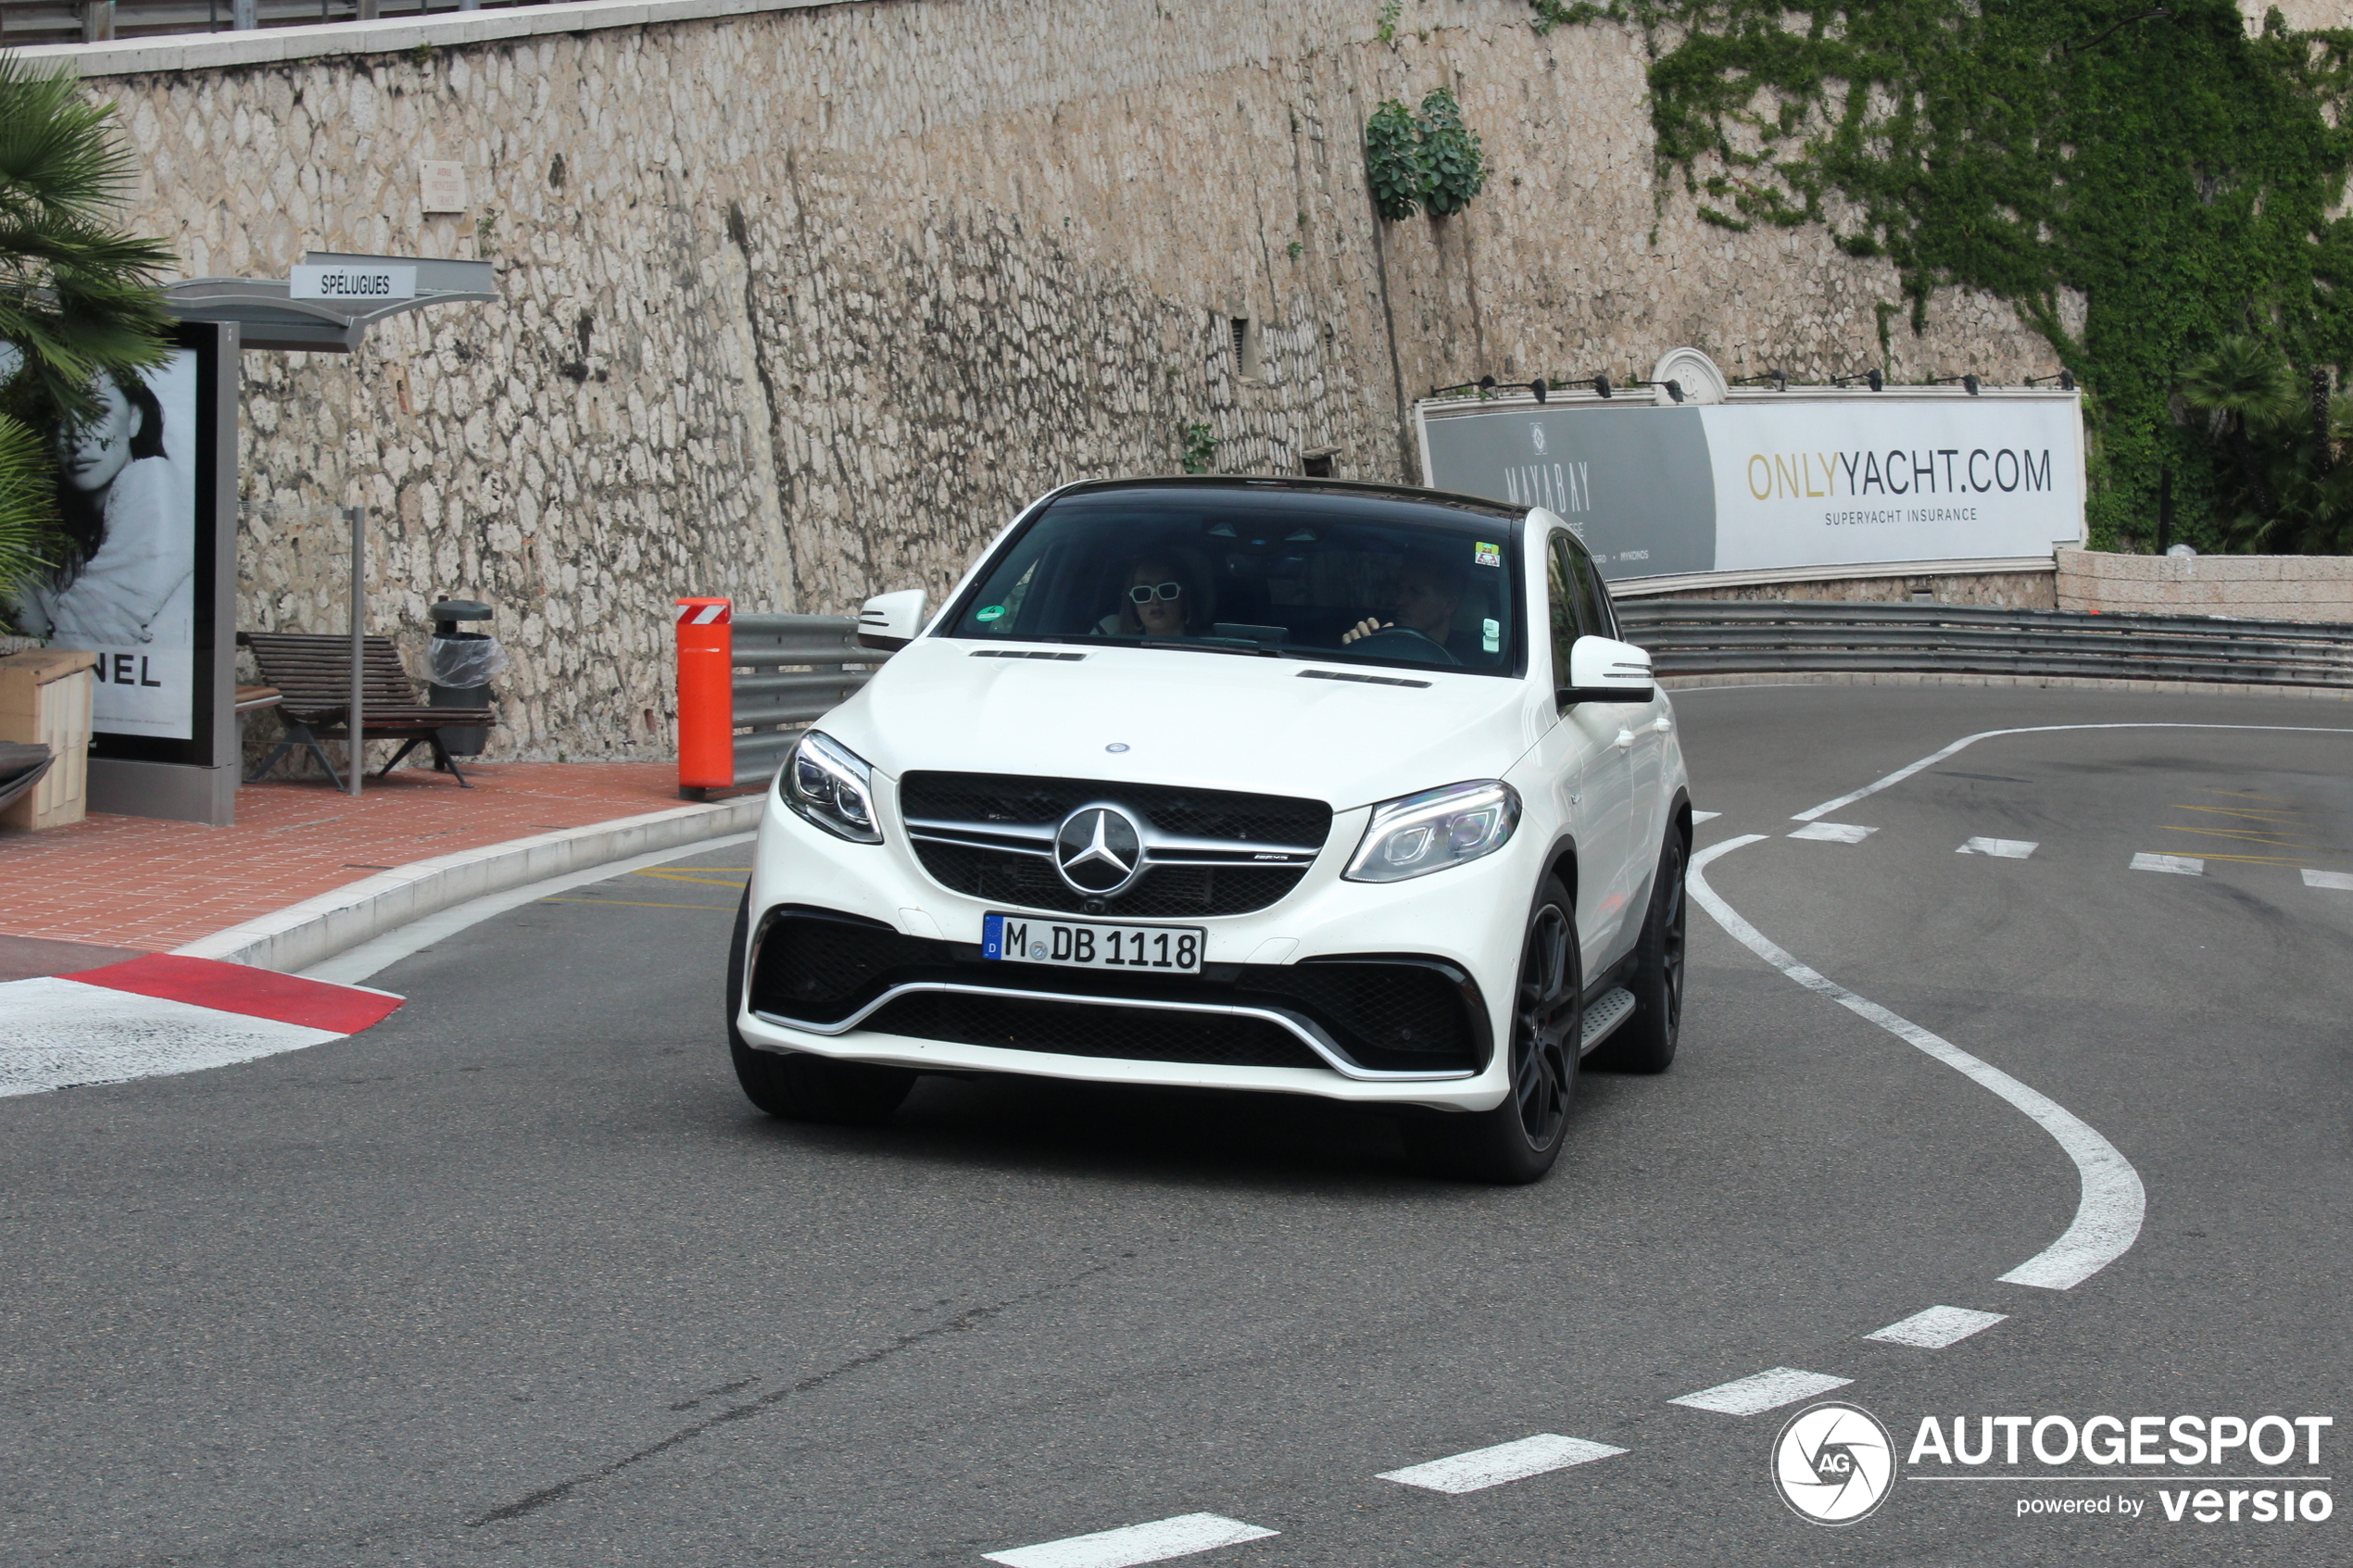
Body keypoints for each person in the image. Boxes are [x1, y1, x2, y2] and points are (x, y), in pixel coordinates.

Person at [11, 374, 187, 647]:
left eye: (96, 412)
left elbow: (77, 641)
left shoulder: (152, 479)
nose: (77, 441)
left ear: (133, 419)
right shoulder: (55, 535)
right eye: (58, 419)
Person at [1341, 550, 1469, 658]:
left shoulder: (1472, 658)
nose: (1400, 601)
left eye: (1416, 592)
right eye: (1399, 590)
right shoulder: (1377, 638)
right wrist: (1357, 649)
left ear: (1449, 606)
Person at [1103, 552, 1209, 638]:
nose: (1155, 601)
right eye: (1143, 593)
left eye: (1167, 590)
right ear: (1133, 603)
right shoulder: (1111, 647)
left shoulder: (1214, 651)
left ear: (1185, 598)